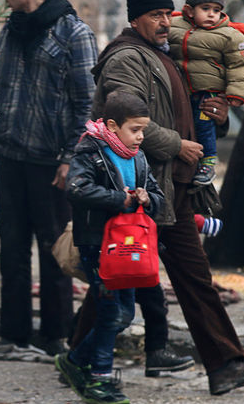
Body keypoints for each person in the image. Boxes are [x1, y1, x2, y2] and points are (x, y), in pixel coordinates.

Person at [91, 0, 244, 396]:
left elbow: (187, 106)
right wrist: (178, 145)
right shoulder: (125, 59)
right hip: (146, 185)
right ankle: (225, 363)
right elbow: (121, 121)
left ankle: (79, 352)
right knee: (141, 272)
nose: (163, 22)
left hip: (171, 185)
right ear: (135, 17)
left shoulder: (166, 53)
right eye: (155, 15)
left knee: (138, 271)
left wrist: (218, 113)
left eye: (165, 14)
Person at [0, 0, 98, 358]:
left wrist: (71, 158)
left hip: (53, 162)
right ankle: (12, 334)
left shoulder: (73, 33)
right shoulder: (9, 31)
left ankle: (55, 335)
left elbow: (87, 104)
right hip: (12, 157)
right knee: (12, 250)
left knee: (54, 251)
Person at [58, 91, 164, 404]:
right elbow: (76, 188)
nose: (141, 136)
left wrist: (148, 199)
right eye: (135, 129)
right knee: (109, 312)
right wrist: (120, 199)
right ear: (113, 126)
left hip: (129, 246)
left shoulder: (139, 157)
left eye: (144, 129)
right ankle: (99, 379)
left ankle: (74, 361)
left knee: (125, 314)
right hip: (97, 245)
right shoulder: (91, 150)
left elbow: (157, 195)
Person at [168, 0, 244, 185]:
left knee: (204, 125)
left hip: (209, 93)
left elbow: (241, 65)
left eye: (216, 10)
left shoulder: (229, 35)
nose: (211, 14)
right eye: (205, 9)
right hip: (181, 91)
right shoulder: (175, 26)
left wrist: (236, 93)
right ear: (189, 11)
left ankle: (207, 163)